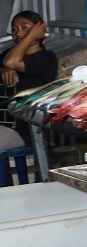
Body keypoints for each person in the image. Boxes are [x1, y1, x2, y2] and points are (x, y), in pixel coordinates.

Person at [1, 11, 59, 153]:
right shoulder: (9, 53)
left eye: (25, 27)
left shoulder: (46, 58)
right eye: (14, 29)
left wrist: (31, 36)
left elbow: (12, 62)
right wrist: (3, 70)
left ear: (38, 31)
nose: (18, 33)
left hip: (22, 128)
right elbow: (7, 62)